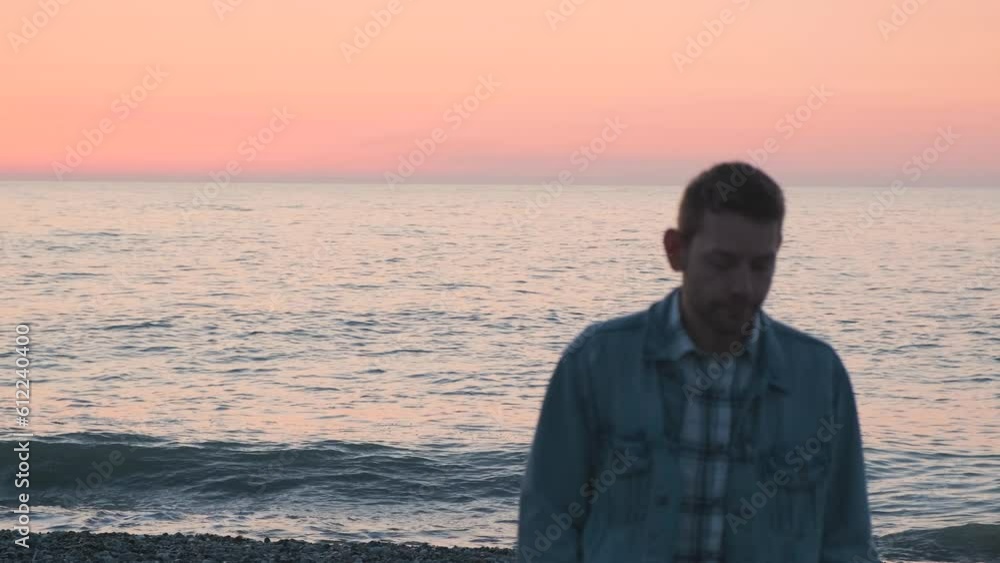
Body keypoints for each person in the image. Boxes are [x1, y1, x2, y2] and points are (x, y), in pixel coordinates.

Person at [516, 162, 876, 562]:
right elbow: (548, 523)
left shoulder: (819, 377)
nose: (743, 286)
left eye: (761, 265)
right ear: (676, 251)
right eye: (722, 263)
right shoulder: (596, 362)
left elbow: (847, 540)